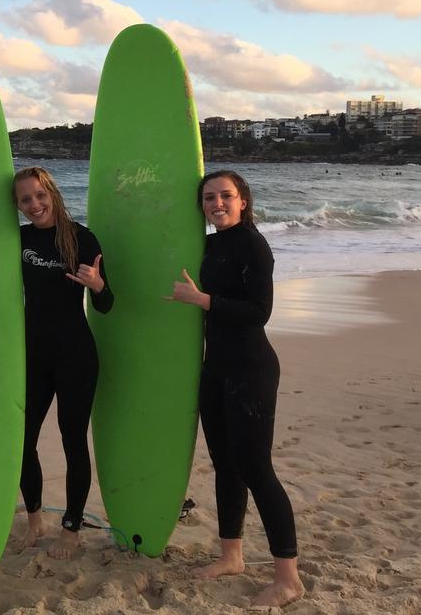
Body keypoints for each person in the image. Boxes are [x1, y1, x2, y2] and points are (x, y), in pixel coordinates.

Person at [165, 170, 305, 608]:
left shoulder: (252, 245)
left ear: (243, 199)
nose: (216, 203)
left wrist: (203, 301)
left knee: (256, 469)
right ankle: (232, 556)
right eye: (208, 198)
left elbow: (258, 312)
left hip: (251, 368)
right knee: (225, 465)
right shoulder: (211, 244)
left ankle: (288, 579)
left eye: (225, 195)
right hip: (217, 368)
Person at [12, 166, 113, 558]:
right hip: (33, 354)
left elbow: (107, 304)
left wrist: (98, 286)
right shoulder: (17, 239)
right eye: (25, 199)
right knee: (22, 441)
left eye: (39, 195)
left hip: (75, 354)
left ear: (51, 192)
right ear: (17, 206)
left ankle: (71, 526)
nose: (34, 204)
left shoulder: (81, 238)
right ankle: (35, 519)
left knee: (73, 441)